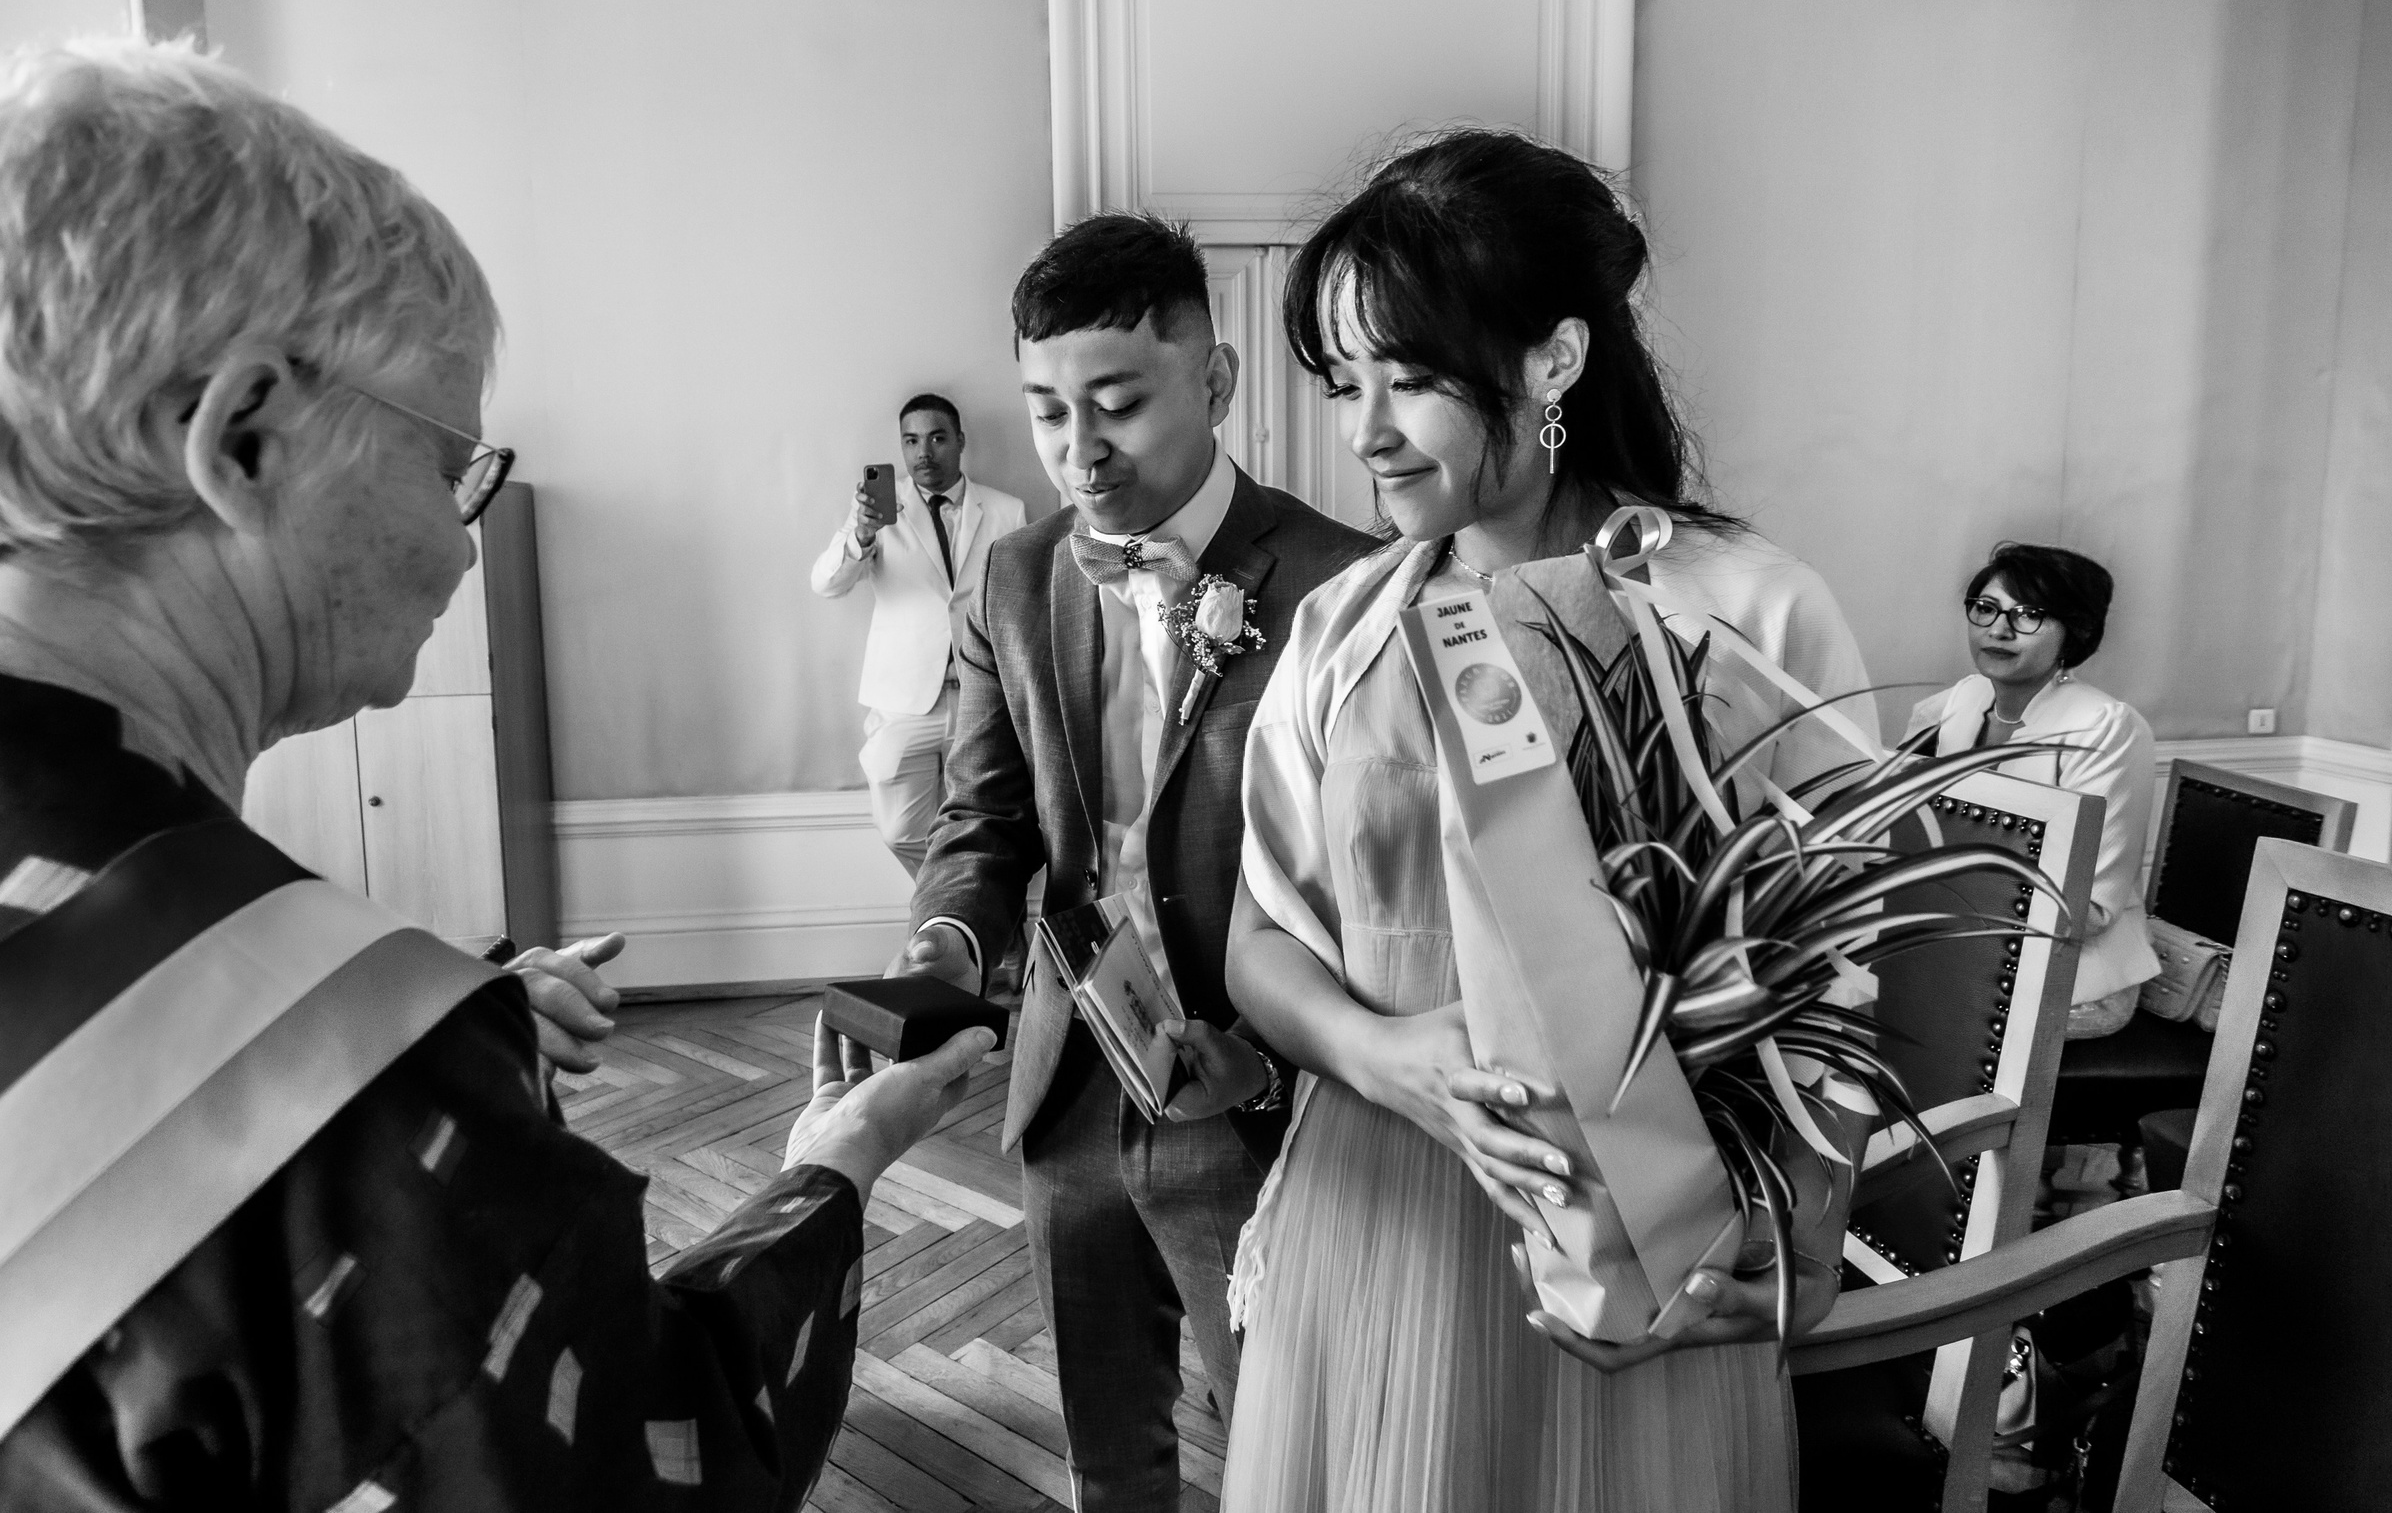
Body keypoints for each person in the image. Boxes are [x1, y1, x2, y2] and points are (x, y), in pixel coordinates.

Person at [0, 39, 992, 1512]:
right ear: (242, 437)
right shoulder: (357, 1103)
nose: (462, 536)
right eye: (449, 458)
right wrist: (831, 1168)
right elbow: (659, 1461)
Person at [1219, 131, 1874, 1512]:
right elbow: (1258, 939)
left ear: (1553, 361)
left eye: (1411, 379)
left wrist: (1810, 1223)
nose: (1366, 430)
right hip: (1379, 1216)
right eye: (1349, 383)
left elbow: (1842, 965)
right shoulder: (1346, 626)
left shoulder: (1745, 609)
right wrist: (1385, 1051)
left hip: (1650, 1233)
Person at [885, 213, 1376, 1512]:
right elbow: (984, 822)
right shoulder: (1014, 574)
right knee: (1114, 1460)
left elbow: (1376, 895)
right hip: (1071, 1088)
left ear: (1212, 383)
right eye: (1048, 412)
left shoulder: (1342, 582)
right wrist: (943, 943)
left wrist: (1270, 1059)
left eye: (1116, 405)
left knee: (1295, 1457)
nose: (1078, 452)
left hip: (1252, 1103)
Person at [1906, 543, 2157, 1039]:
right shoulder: (1956, 703)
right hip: (1964, 945)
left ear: (2076, 632)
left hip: (2078, 972)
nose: (1998, 629)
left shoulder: (2107, 727)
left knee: (1906, 1018)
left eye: (2028, 616)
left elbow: (2091, 910)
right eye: (1986, 608)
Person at [810, 395, 1025, 874]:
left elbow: (1020, 601)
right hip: (905, 701)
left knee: (988, 821)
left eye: (936, 437)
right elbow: (826, 584)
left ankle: (971, 930)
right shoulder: (877, 513)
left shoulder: (1007, 511)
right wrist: (861, 536)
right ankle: (958, 911)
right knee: (899, 830)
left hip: (982, 697)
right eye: (910, 440)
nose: (923, 452)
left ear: (960, 442)